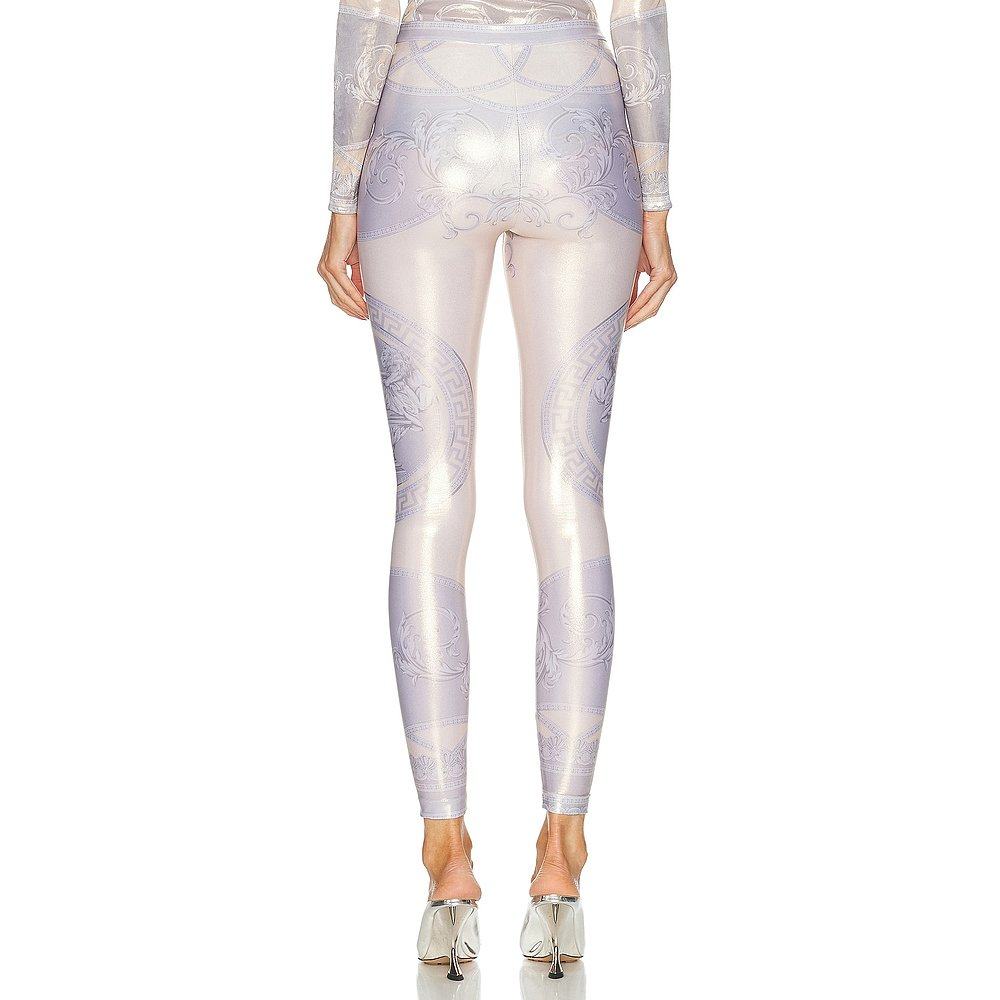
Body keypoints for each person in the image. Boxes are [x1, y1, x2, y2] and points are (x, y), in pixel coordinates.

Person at [317, 0, 676, 980]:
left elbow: (368, 11)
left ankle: (446, 860)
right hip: (578, 129)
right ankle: (562, 857)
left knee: (430, 498)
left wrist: (342, 193)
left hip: (427, 128)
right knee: (570, 496)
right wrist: (657, 195)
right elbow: (640, 16)